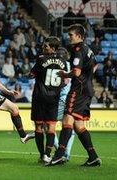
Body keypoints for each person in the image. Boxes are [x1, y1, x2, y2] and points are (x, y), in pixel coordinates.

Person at [48, 24, 101, 166]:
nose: (68, 37)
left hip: (78, 90)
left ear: (79, 36)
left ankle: (59, 155)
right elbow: (95, 65)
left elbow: (76, 72)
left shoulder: (78, 49)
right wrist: (87, 76)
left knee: (67, 120)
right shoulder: (88, 49)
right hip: (87, 90)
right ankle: (93, 157)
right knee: (79, 125)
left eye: (71, 35)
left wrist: (65, 74)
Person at [30, 37, 69, 163]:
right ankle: (48, 154)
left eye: (46, 46)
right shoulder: (63, 61)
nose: (43, 48)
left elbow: (32, 74)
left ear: (53, 48)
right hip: (54, 98)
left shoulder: (41, 59)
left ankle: (42, 155)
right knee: (52, 127)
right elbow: (64, 81)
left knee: (39, 127)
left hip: (40, 97)